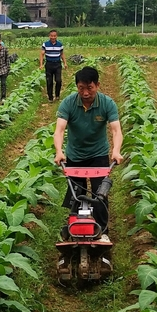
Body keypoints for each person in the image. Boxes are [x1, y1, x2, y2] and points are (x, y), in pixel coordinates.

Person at [53, 66, 123, 229]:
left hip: (98, 155)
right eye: (81, 88)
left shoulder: (107, 103)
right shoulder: (68, 103)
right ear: (77, 87)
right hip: (75, 155)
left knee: (100, 195)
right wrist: (58, 151)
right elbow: (59, 130)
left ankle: (102, 231)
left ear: (97, 85)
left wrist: (116, 150)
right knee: (76, 195)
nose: (85, 93)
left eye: (89, 88)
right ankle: (74, 228)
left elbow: (116, 130)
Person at [39, 29, 64, 101]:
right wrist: (41, 64)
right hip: (49, 64)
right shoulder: (45, 44)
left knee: (58, 80)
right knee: (49, 81)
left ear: (56, 36)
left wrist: (65, 63)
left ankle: (57, 95)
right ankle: (50, 97)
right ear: (49, 36)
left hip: (57, 64)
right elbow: (42, 54)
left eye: (54, 36)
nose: (53, 37)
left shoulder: (60, 44)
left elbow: (62, 54)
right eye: (51, 36)